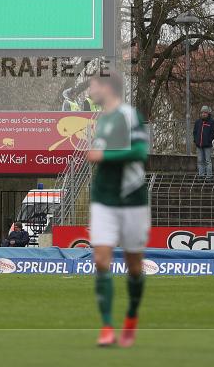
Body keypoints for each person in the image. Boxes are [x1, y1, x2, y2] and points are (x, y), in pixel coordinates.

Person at [84, 71, 150, 349]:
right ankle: (107, 327)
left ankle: (131, 318)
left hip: (132, 198)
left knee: (134, 266)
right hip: (103, 199)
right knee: (101, 260)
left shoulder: (128, 114)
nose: (89, 90)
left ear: (107, 87)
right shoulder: (103, 120)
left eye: (93, 85)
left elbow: (140, 152)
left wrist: (103, 155)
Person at [193, 106, 214, 178]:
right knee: (200, 161)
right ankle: (201, 176)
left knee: (207, 161)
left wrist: (209, 140)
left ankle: (209, 177)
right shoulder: (197, 122)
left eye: (205, 112)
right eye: (202, 112)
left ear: (208, 113)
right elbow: (194, 132)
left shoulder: (211, 122)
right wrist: (196, 140)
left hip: (207, 145)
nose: (203, 114)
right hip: (199, 145)